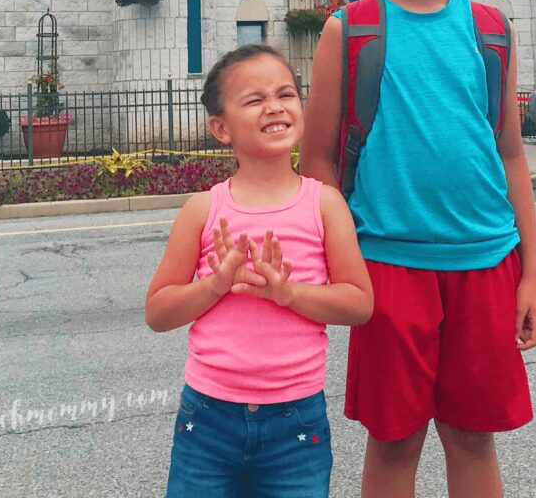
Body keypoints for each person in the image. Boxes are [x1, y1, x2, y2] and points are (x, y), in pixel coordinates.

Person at [302, 0, 536, 498]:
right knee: (394, 442)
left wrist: (534, 276)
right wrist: (339, 265)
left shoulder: (491, 31)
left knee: (472, 439)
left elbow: (512, 156)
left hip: (487, 261)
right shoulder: (347, 31)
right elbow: (318, 161)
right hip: (388, 267)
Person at [146, 44, 373, 497]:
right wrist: (215, 285)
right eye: (254, 99)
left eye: (285, 94)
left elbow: (359, 303)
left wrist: (289, 293)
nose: (274, 106)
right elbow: (158, 312)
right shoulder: (203, 209)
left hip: (296, 424)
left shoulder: (324, 204)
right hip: (207, 420)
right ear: (220, 128)